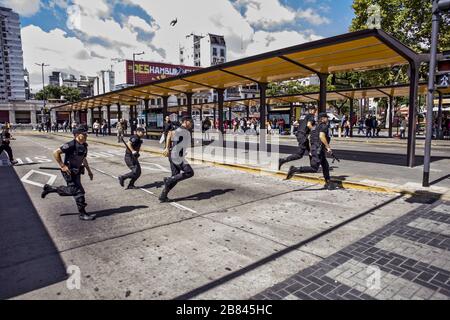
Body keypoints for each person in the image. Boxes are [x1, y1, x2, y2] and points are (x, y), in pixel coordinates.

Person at [41, 125, 95, 221]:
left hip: (77, 172)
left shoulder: (84, 146)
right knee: (78, 192)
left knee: (77, 191)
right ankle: (82, 214)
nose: (86, 136)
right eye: (84, 134)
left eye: (86, 134)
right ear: (77, 135)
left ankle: (50, 189)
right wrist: (62, 166)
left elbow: (83, 159)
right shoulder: (71, 145)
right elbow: (55, 152)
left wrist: (89, 171)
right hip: (69, 172)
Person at [285, 112, 334, 190]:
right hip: (318, 150)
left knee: (325, 165)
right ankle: (295, 169)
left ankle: (328, 182)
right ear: (322, 118)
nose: (327, 119)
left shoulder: (315, 127)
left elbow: (311, 138)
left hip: (316, 149)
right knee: (314, 168)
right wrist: (328, 148)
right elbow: (322, 136)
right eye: (326, 117)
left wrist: (311, 150)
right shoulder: (324, 126)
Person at [159, 117, 195, 202]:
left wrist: (168, 148)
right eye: (191, 122)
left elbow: (170, 134)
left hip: (174, 155)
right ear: (185, 122)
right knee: (189, 172)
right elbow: (170, 134)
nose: (191, 124)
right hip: (177, 156)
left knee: (175, 177)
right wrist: (167, 148)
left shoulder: (181, 130)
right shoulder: (182, 130)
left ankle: (163, 195)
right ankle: (168, 179)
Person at [279, 106, 316, 170]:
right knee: (299, 154)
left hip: (300, 135)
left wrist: (301, 127)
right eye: (315, 110)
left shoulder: (303, 116)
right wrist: (315, 131)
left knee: (311, 150)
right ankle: (282, 160)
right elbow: (309, 124)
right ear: (311, 110)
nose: (315, 112)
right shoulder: (311, 116)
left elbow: (295, 123)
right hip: (303, 136)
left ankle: (313, 166)